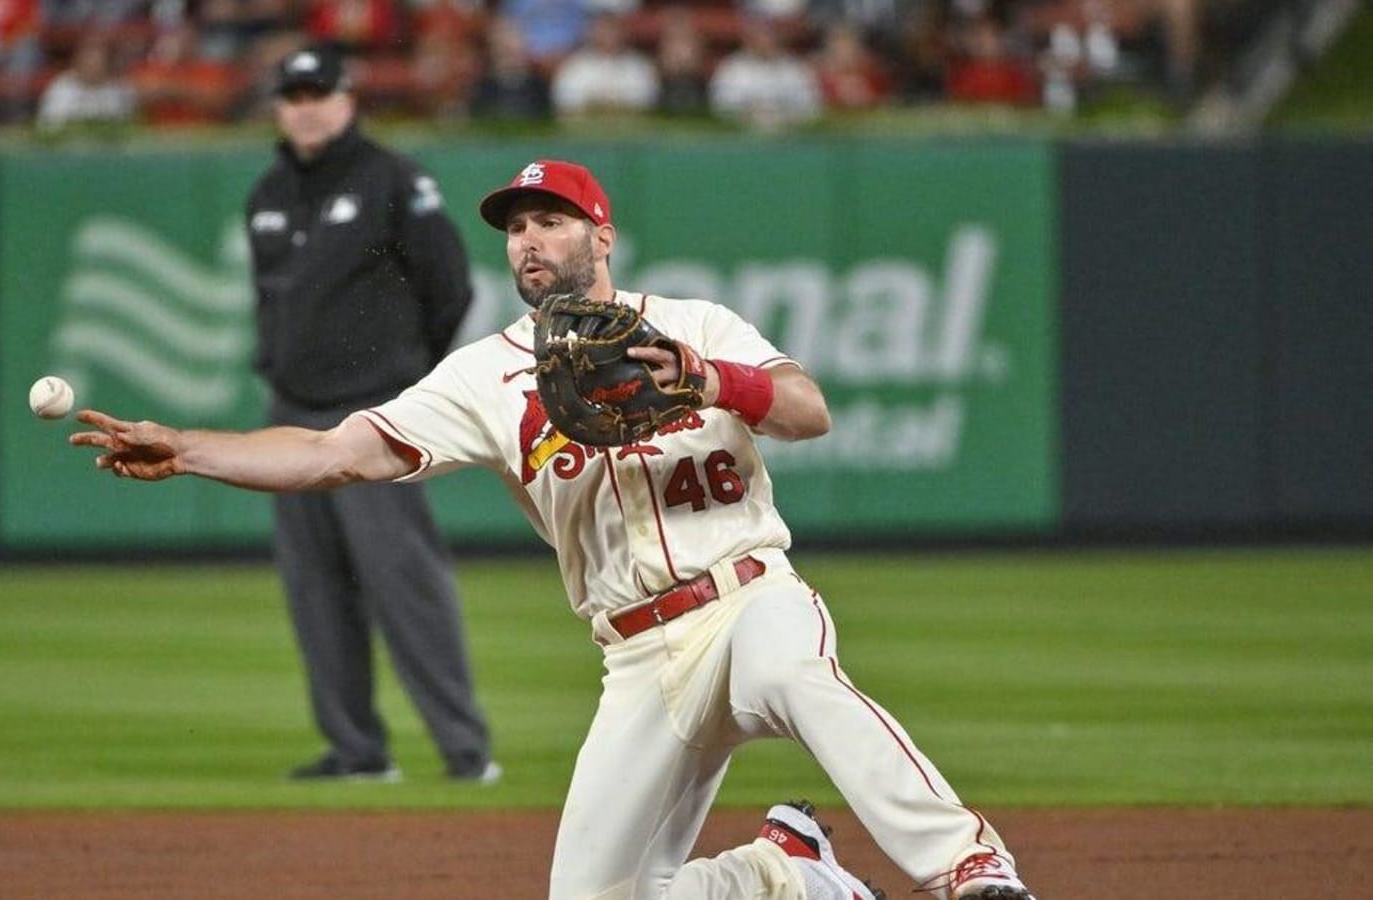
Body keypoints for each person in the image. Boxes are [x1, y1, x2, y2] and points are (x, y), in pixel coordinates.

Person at [70, 158, 1038, 900]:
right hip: (634, 655)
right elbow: (336, 455)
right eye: (517, 228)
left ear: (600, 234)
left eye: (551, 221)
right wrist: (190, 449)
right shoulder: (484, 377)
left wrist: (706, 378)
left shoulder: (690, 322)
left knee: (795, 673)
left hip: (746, 599)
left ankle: (969, 867)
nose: (529, 240)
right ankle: (782, 873)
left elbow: (804, 407)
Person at [239, 44, 495, 783]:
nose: (307, 105)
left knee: (403, 580)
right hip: (292, 411)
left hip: (374, 412)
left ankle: (465, 751)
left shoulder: (393, 179)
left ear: (349, 99)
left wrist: (406, 383)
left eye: (320, 91)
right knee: (315, 588)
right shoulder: (267, 192)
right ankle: (356, 752)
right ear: (280, 107)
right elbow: (270, 298)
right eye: (294, 94)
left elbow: (449, 287)